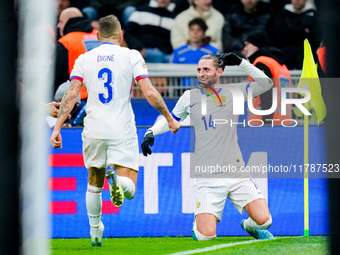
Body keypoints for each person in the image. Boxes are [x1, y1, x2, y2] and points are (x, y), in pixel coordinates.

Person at [49, 14, 180, 247]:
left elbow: (71, 95)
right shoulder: (131, 56)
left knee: (94, 181)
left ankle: (95, 229)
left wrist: (57, 128)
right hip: (121, 128)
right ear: (121, 35)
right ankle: (119, 185)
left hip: (93, 128)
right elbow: (149, 91)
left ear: (98, 36)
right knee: (129, 187)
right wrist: (169, 118)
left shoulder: (84, 58)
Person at [141, 53, 274, 240]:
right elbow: (172, 119)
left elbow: (267, 84)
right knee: (206, 236)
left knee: (264, 221)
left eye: (206, 69)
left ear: (219, 72)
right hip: (207, 176)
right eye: (199, 70)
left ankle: (249, 227)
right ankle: (198, 226)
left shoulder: (234, 92)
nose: (201, 74)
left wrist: (242, 63)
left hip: (236, 171)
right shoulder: (189, 97)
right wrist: (151, 132)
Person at [243, 30, 292, 125]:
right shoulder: (280, 65)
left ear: (256, 45)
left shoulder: (262, 63)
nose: (245, 48)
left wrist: (266, 122)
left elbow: (267, 93)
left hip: (265, 121)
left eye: (247, 44)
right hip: (283, 120)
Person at [55, 7, 101, 99]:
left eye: (60, 22)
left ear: (68, 22)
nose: (58, 26)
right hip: (108, 98)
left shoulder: (66, 43)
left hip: (80, 100)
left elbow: (56, 78)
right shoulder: (101, 36)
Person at [267, 0, 319, 69]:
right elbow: (280, 35)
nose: (297, 0)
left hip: (307, 51)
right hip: (286, 53)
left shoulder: (314, 15)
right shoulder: (282, 14)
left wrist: (291, 31)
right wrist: (303, 29)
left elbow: (315, 36)